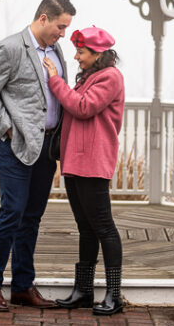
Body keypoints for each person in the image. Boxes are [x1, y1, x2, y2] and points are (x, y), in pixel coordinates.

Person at [0, 0, 75, 312]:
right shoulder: (10, 48)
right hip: (13, 145)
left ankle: (22, 287)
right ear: (43, 18)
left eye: (67, 28)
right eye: (60, 26)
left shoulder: (57, 51)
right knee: (12, 212)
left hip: (46, 148)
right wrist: (7, 128)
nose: (63, 34)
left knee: (31, 217)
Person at [42, 25, 126, 316]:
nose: (76, 56)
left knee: (104, 227)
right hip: (76, 162)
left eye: (81, 51)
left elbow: (82, 107)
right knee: (86, 228)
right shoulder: (90, 77)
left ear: (97, 53)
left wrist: (55, 81)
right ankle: (84, 291)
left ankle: (115, 295)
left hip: (93, 163)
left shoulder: (110, 77)